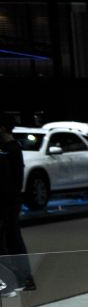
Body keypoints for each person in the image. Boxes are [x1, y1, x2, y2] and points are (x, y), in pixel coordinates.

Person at [0, 117, 35, 293]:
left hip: (8, 202)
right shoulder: (10, 149)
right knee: (11, 240)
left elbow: (13, 181)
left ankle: (18, 280)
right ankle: (18, 280)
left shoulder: (11, 150)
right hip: (9, 201)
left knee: (11, 240)